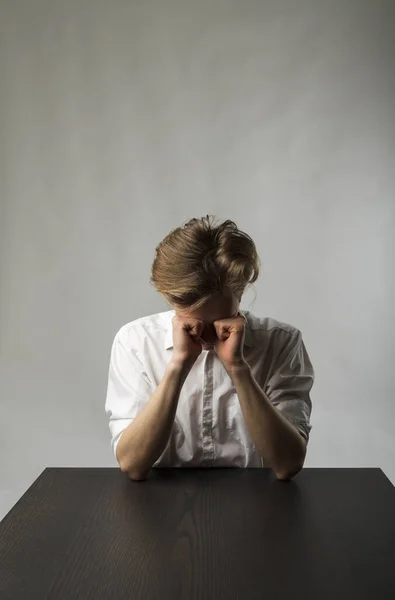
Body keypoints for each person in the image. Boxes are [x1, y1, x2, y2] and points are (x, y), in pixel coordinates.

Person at [105, 215, 314, 481]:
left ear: (241, 293)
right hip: (157, 509)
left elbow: (288, 463)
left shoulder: (282, 341)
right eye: (192, 320)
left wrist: (238, 369)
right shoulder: (135, 341)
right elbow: (133, 464)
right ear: (171, 300)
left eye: (217, 320)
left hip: (262, 506)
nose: (206, 335)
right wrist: (178, 366)